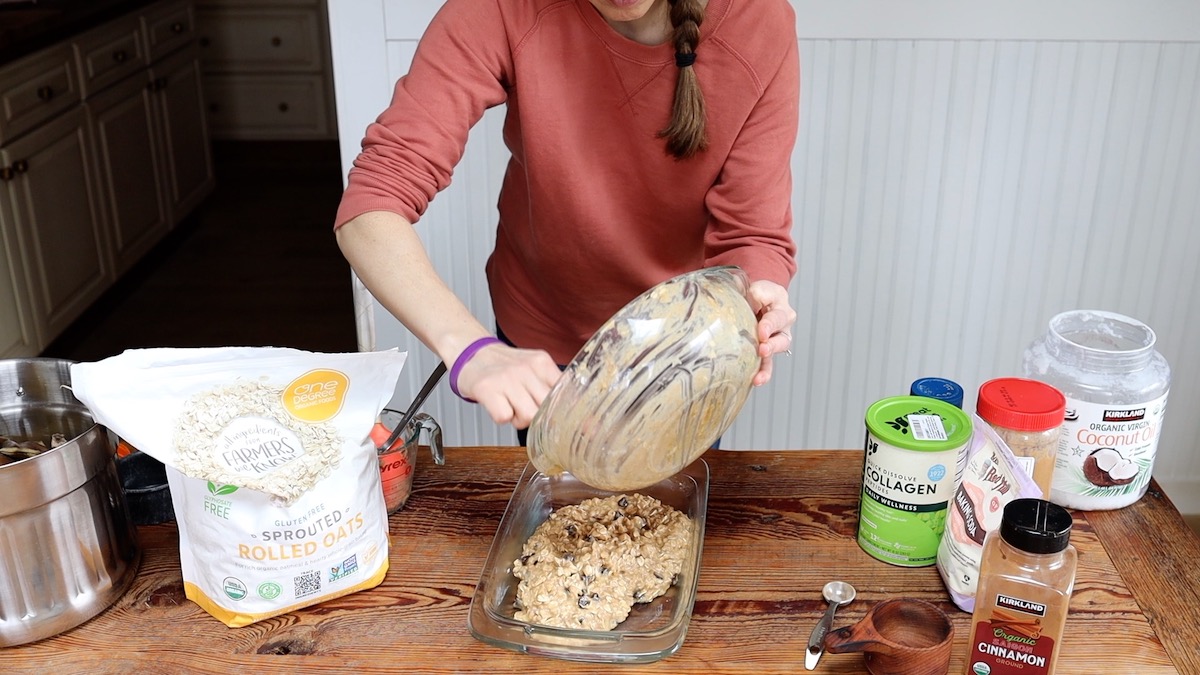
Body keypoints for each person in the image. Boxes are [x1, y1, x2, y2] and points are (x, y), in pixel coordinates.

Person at [334, 0, 800, 438]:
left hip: (684, 349)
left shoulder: (760, 21)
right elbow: (372, 203)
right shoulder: (503, 9)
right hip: (543, 328)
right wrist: (469, 349)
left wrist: (758, 290)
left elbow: (752, 233)